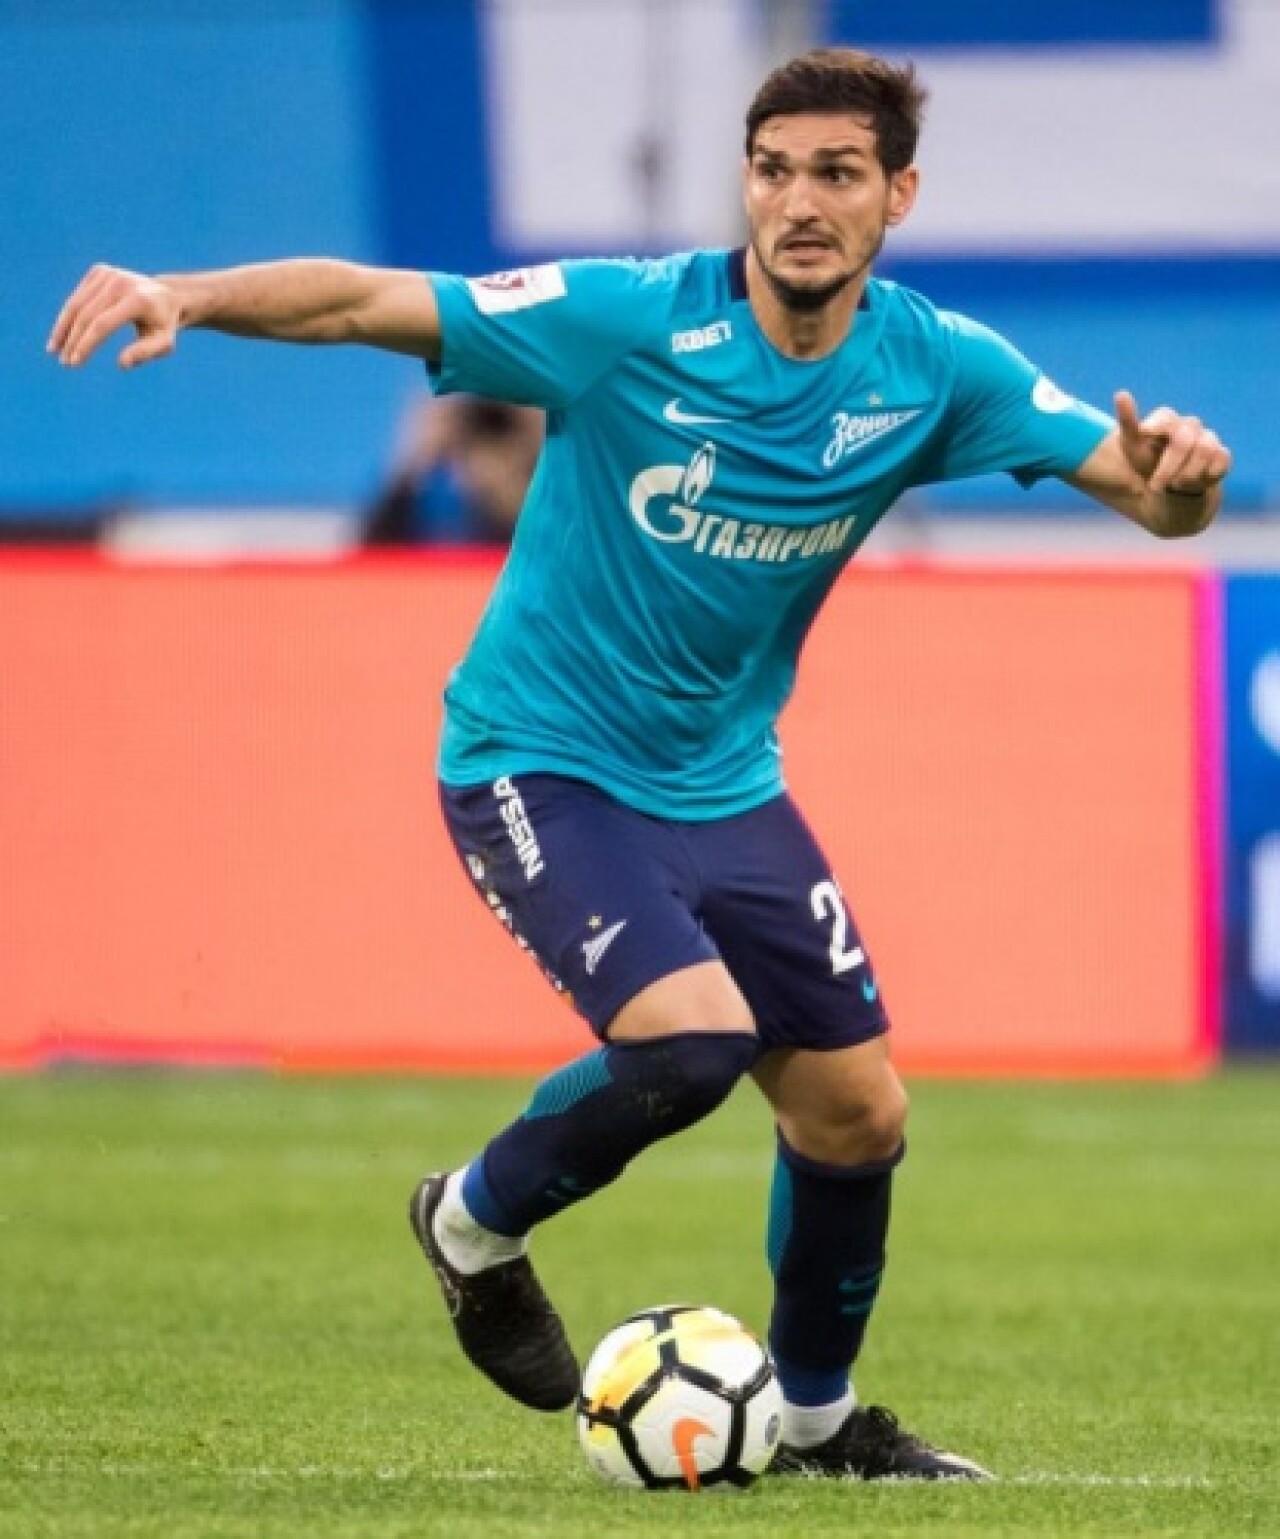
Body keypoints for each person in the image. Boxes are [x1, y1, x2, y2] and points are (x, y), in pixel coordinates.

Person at [48, 48, 1231, 1482]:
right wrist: (185, 293)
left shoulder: (936, 368)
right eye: (774, 170)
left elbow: (1149, 500)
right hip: (535, 760)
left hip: (723, 782)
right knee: (692, 1041)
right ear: (746, 182)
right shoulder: (626, 321)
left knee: (858, 1113)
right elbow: (368, 299)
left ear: (899, 195)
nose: (799, 202)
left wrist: (1184, 483)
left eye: (837, 174)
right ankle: (469, 1223)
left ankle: (813, 1425)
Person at [365, 393, 542, 546]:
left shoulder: (541, 504)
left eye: (498, 433)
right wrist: (417, 462)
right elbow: (370, 548)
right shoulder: (426, 503)